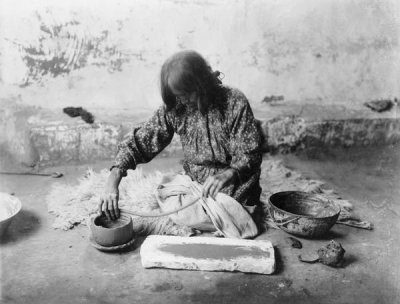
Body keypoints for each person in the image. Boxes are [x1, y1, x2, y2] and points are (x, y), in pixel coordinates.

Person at [98, 50, 263, 230]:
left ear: (201, 84)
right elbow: (142, 141)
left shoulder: (234, 102)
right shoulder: (177, 106)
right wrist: (113, 178)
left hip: (235, 185)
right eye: (177, 95)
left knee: (234, 210)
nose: (182, 100)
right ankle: (211, 215)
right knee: (170, 199)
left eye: (186, 94)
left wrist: (227, 175)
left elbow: (250, 154)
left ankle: (224, 214)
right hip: (196, 182)